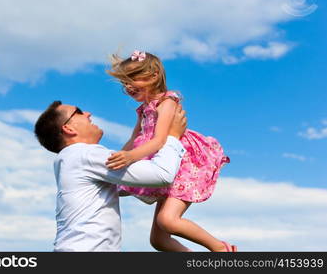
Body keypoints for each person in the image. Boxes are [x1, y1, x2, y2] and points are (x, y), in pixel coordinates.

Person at [106, 50, 237, 252]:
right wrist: (113, 160)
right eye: (124, 82)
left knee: (168, 220)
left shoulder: (167, 102)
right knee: (158, 241)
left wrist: (131, 157)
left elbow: (159, 140)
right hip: (165, 164)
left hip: (183, 165)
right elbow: (134, 139)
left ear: (153, 76)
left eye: (132, 79)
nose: (128, 86)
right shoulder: (143, 110)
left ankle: (220, 249)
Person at [34, 100, 188, 251]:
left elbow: (120, 182)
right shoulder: (85, 154)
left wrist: (138, 131)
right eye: (79, 112)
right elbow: (162, 175)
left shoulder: (70, 159)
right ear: (68, 128)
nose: (88, 113)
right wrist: (173, 136)